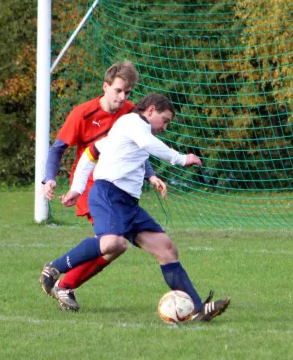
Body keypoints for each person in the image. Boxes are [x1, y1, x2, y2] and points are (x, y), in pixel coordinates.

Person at [40, 93, 230, 321]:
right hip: (108, 193)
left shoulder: (132, 131)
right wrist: (181, 158)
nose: (165, 127)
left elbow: (91, 153)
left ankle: (198, 310)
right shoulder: (132, 123)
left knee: (166, 249)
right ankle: (54, 267)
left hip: (128, 203)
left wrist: (78, 189)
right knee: (113, 242)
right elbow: (146, 144)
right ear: (150, 110)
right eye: (165, 119)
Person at [40, 61, 167, 311]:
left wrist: (150, 175)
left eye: (128, 93)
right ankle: (62, 280)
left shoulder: (132, 113)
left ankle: (65, 284)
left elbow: (138, 149)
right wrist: (49, 178)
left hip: (118, 187)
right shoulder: (82, 113)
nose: (123, 97)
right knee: (112, 243)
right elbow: (57, 149)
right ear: (105, 87)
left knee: (114, 246)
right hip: (91, 185)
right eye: (118, 90)